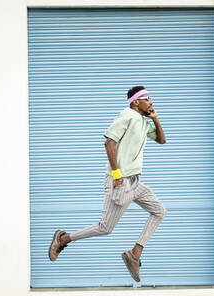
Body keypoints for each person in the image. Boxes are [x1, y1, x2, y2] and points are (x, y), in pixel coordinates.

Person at [48, 86, 167, 282]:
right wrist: (116, 174)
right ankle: (63, 239)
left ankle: (134, 254)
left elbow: (162, 140)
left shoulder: (143, 122)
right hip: (120, 181)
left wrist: (155, 119)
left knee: (159, 211)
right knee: (105, 227)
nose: (151, 102)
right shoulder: (127, 116)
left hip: (135, 181)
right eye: (147, 98)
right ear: (136, 102)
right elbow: (109, 142)